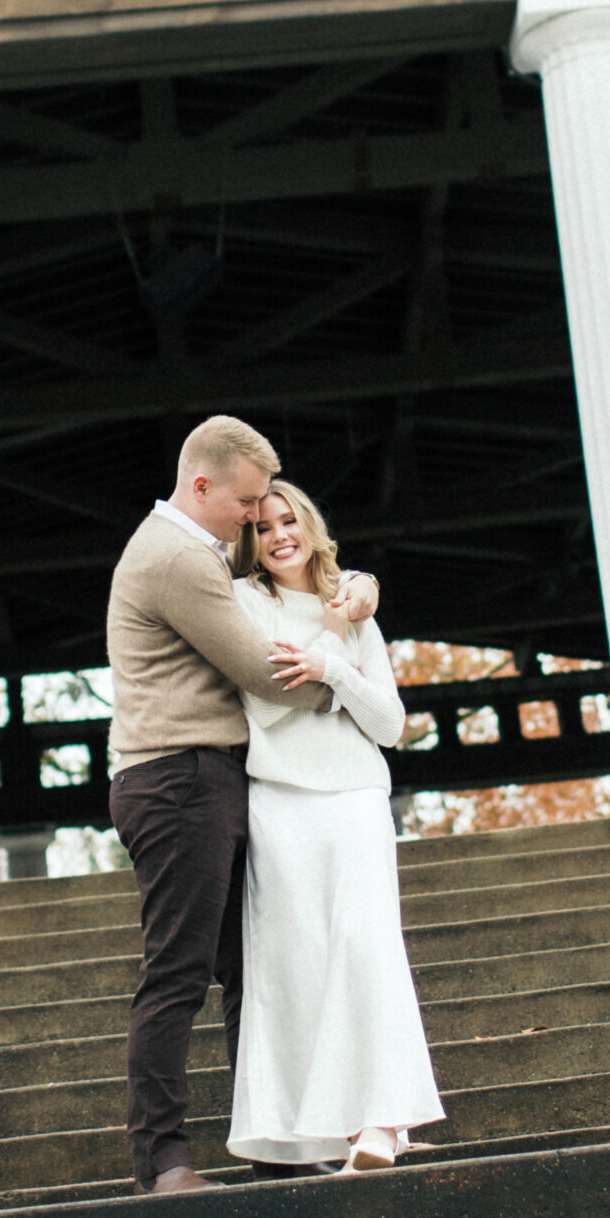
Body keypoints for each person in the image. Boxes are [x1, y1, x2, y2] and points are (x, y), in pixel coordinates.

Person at [105, 417, 378, 1196]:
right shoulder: (172, 559)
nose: (257, 517)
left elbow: (286, 575)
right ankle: (162, 1163)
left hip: (211, 778)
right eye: (248, 501)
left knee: (250, 970)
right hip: (178, 778)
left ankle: (280, 1146)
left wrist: (355, 583)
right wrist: (349, 676)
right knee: (180, 974)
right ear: (202, 487)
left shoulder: (198, 547)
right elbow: (264, 669)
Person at [227, 480, 444, 1175]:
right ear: (250, 543)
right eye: (263, 528)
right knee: (298, 964)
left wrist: (333, 668)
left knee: (366, 946)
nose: (280, 534)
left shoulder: (352, 606)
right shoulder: (241, 604)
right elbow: (266, 709)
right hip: (281, 801)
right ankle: (322, 1129)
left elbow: (389, 724)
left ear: (312, 527)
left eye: (291, 520)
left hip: (353, 795)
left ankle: (381, 1122)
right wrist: (334, 652)